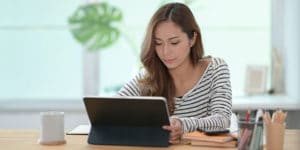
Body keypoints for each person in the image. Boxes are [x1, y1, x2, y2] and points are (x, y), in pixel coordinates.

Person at [117, 2, 232, 144]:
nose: (165, 52)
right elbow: (112, 112)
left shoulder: (216, 69)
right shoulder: (149, 77)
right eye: (158, 43)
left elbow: (222, 120)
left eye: (174, 42)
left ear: (192, 39)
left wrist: (181, 125)